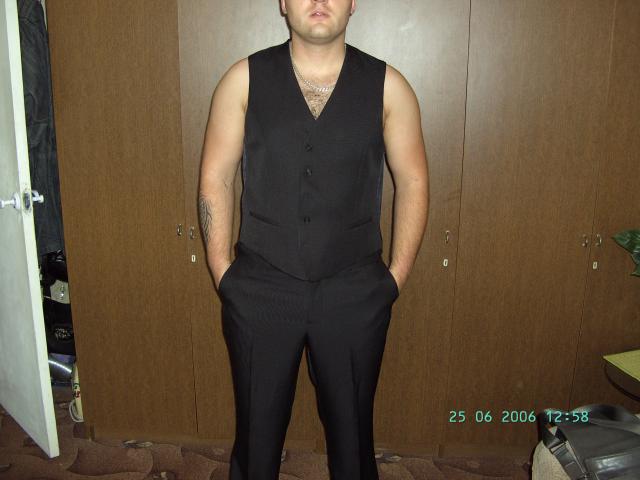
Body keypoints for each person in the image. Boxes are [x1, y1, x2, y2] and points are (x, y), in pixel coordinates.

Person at [198, 1, 429, 478]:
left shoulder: (389, 87)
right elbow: (216, 178)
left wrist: (394, 279)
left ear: (353, 3)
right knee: (256, 437)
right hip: (260, 287)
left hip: (355, 290)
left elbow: (413, 182)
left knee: (353, 438)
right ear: (283, 3)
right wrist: (224, 273)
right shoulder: (242, 80)